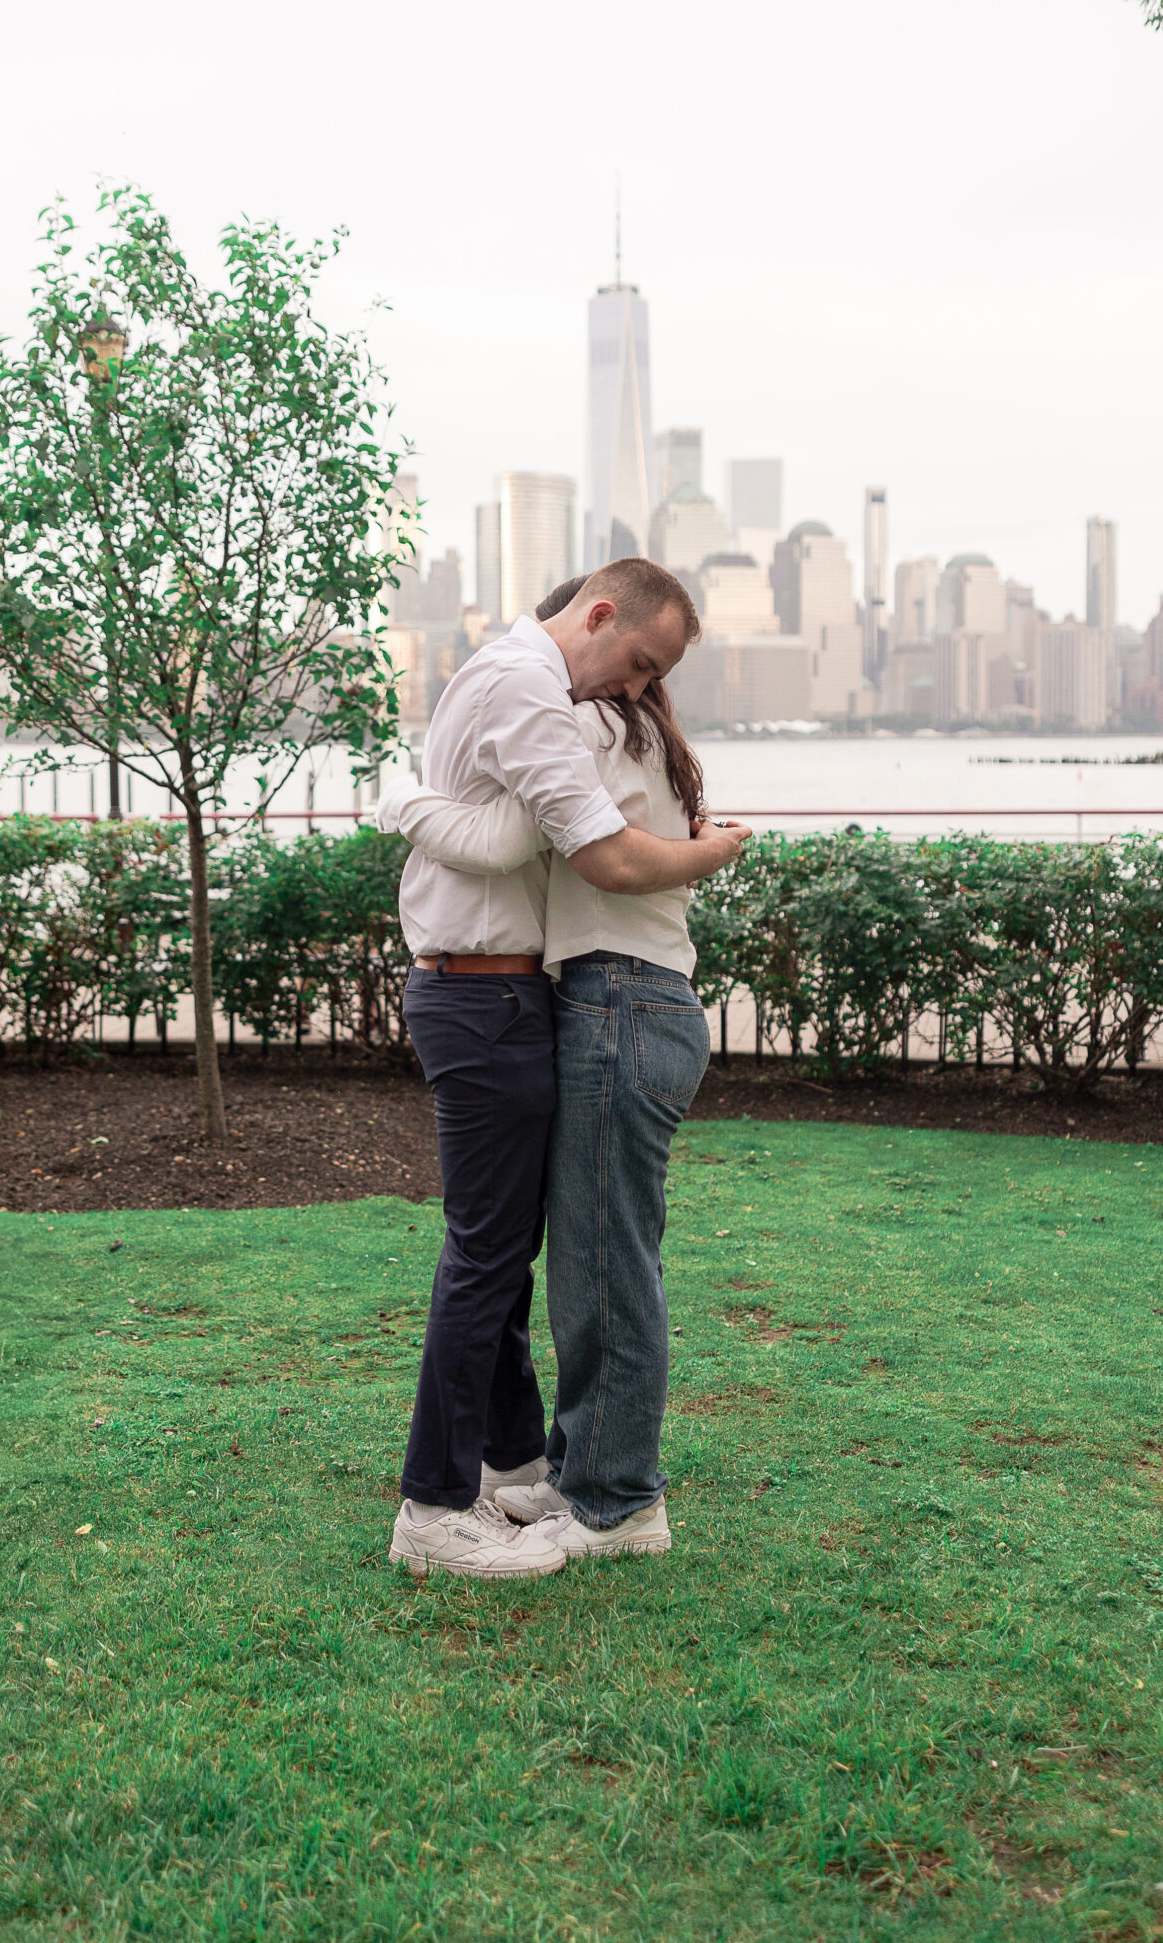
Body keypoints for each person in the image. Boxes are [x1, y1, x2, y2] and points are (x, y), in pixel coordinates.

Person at [383, 558, 748, 1580]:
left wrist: (402, 800)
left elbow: (529, 838)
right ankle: (494, 1487)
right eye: (635, 661)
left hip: (572, 998)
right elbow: (570, 844)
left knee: (572, 1257)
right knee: (531, 1257)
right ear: (595, 614)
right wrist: (716, 849)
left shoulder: (576, 704)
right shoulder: (540, 691)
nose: (634, 686)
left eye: (650, 676)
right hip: (520, 996)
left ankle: (579, 1483)